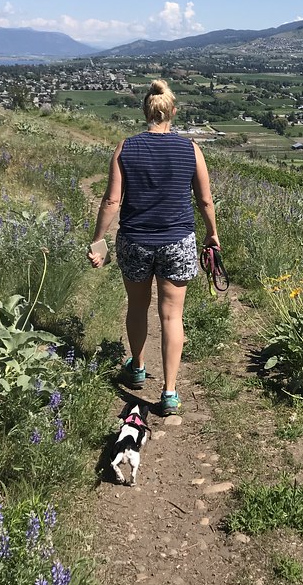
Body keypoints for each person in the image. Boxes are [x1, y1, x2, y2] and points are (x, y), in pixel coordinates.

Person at [88, 79, 220, 415]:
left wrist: (99, 239)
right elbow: (204, 199)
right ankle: (170, 392)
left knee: (136, 306)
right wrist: (212, 234)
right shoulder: (191, 149)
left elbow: (112, 199)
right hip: (177, 241)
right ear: (173, 112)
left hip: (135, 240)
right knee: (172, 316)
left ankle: (137, 367)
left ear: (145, 111)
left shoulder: (125, 148)